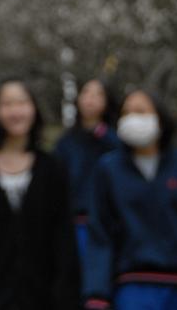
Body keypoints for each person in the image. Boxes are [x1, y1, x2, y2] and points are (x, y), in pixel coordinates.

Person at [0, 78, 80, 310]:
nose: (15, 111)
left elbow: (64, 240)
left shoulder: (53, 168)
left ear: (34, 109)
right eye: (7, 104)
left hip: (43, 297)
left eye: (22, 102)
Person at [83, 89, 177, 310]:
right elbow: (99, 235)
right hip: (131, 288)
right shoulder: (109, 170)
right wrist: (96, 294)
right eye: (127, 113)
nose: (133, 118)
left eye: (141, 111)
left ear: (160, 117)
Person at [55, 78, 119, 259]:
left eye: (98, 94)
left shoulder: (115, 141)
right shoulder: (65, 142)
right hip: (73, 223)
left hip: (108, 224)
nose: (90, 99)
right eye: (86, 93)